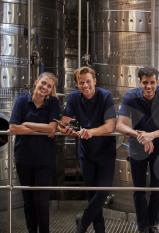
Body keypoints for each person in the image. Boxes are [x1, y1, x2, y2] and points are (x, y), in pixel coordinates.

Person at [115, 67, 159, 233]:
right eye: (145, 82)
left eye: (152, 82)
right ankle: (143, 227)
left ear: (157, 82)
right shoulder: (130, 96)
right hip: (137, 146)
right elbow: (119, 125)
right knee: (139, 189)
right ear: (139, 82)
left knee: (158, 188)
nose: (148, 86)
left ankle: (153, 225)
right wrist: (141, 137)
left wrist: (152, 135)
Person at [60, 66, 116, 233]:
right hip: (86, 153)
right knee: (93, 194)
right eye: (81, 82)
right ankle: (100, 230)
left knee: (103, 191)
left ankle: (82, 222)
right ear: (77, 84)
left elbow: (110, 126)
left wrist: (90, 132)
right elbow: (64, 122)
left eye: (88, 81)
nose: (85, 85)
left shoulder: (105, 96)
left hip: (105, 152)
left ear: (95, 81)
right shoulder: (74, 98)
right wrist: (66, 129)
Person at [9, 72, 60, 233]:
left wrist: (28, 124)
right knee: (28, 200)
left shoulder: (53, 103)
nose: (45, 87)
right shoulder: (22, 100)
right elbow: (13, 127)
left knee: (42, 201)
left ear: (52, 90)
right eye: (43, 83)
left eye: (49, 86)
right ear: (36, 81)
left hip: (45, 160)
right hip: (23, 159)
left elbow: (52, 128)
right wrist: (42, 127)